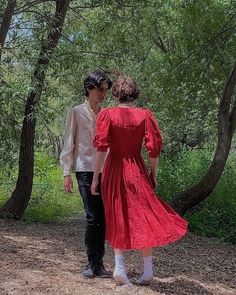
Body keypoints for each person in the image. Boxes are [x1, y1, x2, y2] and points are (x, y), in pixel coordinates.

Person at [91, 76, 188, 286]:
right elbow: (154, 149)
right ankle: (148, 270)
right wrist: (153, 174)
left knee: (117, 214)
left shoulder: (107, 114)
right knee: (143, 215)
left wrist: (95, 177)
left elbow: (101, 148)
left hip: (114, 169)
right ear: (135, 93)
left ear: (116, 93)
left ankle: (119, 267)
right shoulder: (145, 115)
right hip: (136, 169)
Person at [60, 69, 112, 278]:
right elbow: (68, 142)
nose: (103, 94)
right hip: (84, 169)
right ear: (89, 89)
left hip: (105, 171)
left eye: (106, 91)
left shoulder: (106, 113)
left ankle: (100, 263)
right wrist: (66, 173)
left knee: (104, 218)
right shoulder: (76, 112)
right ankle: (92, 263)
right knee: (92, 217)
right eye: (100, 89)